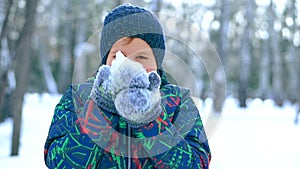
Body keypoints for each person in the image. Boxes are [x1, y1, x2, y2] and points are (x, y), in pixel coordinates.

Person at [44, 4, 211, 169]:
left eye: (141, 57)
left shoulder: (178, 102)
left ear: (157, 63)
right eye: (119, 55)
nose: (131, 65)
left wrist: (149, 118)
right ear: (106, 59)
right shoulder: (78, 97)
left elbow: (197, 164)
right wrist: (101, 108)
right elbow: (59, 162)